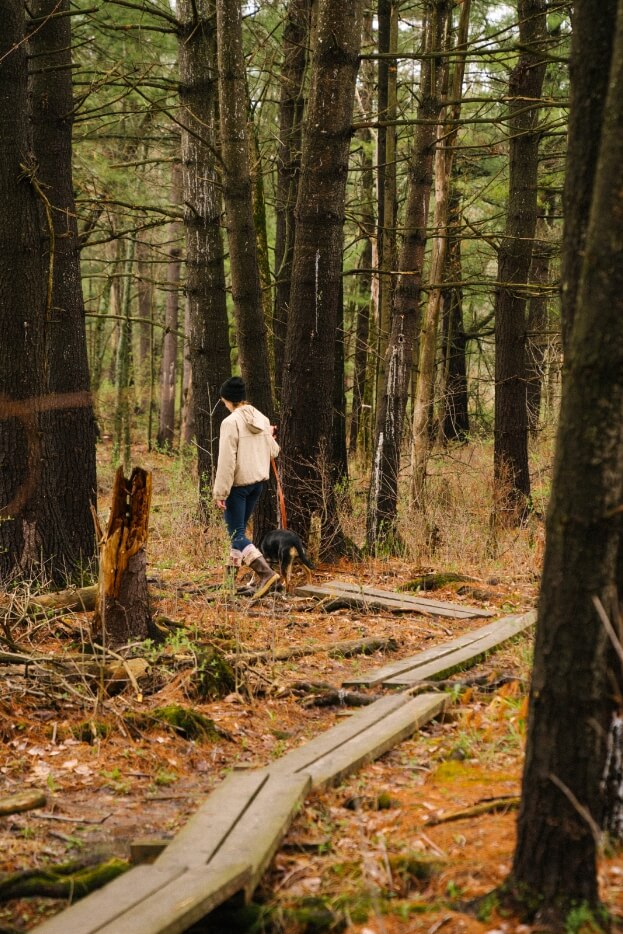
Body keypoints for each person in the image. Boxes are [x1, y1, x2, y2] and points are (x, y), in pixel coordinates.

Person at [213, 376, 281, 598]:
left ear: (228, 399)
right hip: (257, 485)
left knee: (236, 533)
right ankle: (228, 582)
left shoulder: (230, 422)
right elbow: (274, 451)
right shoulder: (261, 418)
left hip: (238, 487)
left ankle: (266, 573)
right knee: (238, 533)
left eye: (223, 401)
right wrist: (268, 436)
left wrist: (220, 492)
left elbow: (226, 461)